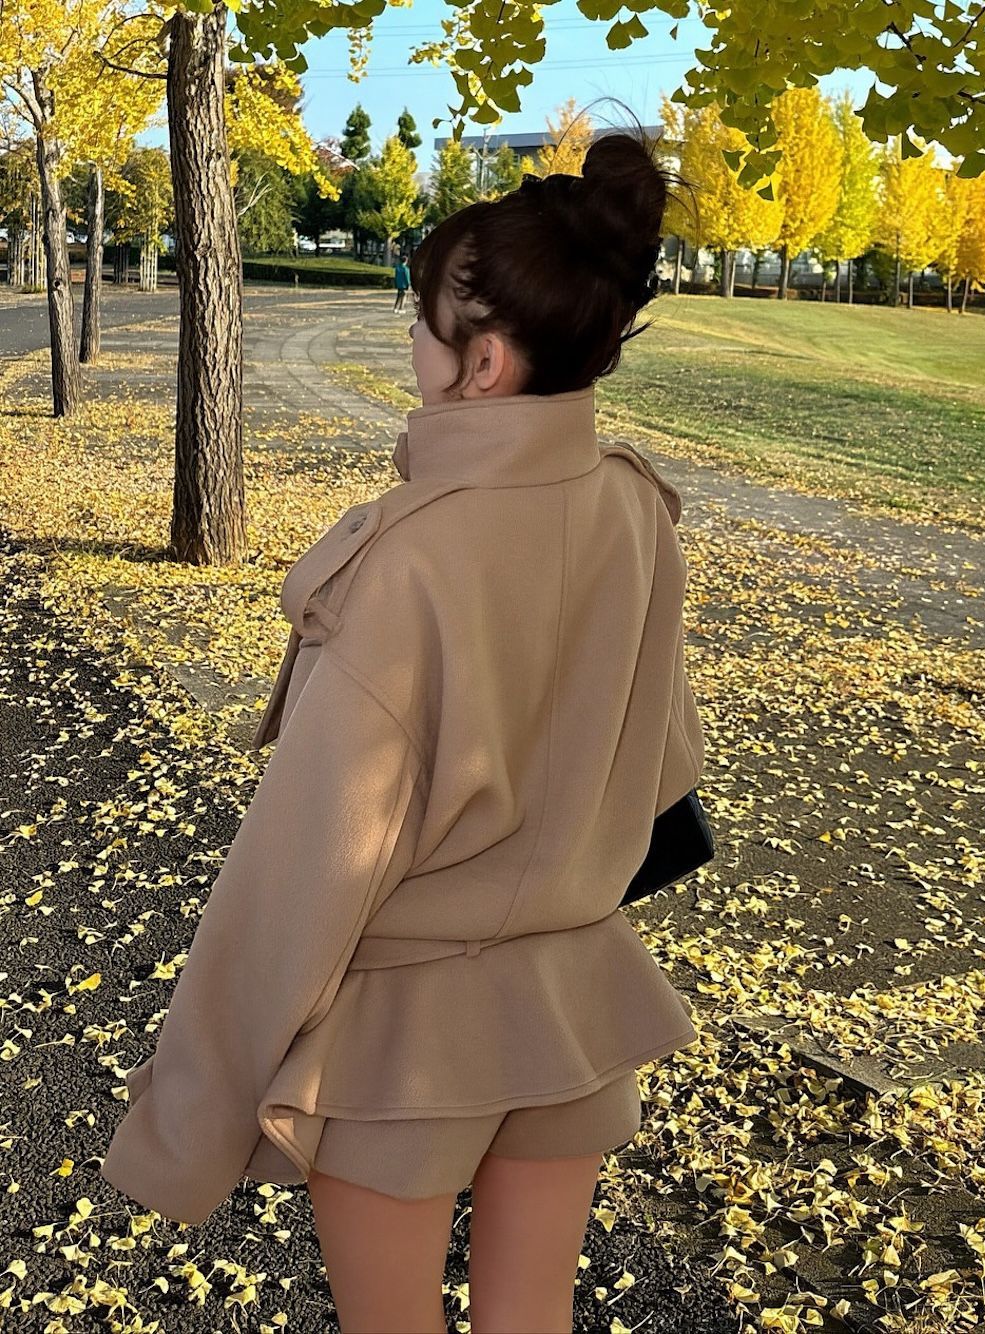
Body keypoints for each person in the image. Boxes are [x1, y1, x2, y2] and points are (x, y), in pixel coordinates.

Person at [101, 106, 706, 1334]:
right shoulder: (636, 509)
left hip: (405, 1033)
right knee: (530, 1318)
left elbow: (303, 871)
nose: (411, 342)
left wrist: (189, 1108)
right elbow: (663, 760)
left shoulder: (409, 560)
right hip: (572, 997)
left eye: (422, 320)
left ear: (483, 364)